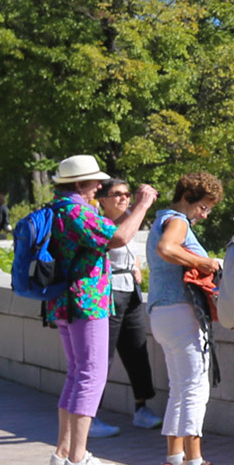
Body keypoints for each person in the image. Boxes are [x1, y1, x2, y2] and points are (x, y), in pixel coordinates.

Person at [43, 155, 155, 465]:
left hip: (63, 300)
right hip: (87, 300)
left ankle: (63, 452)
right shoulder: (76, 210)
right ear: (79, 185)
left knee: (76, 373)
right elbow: (118, 238)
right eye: (94, 183)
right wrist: (141, 206)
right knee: (92, 374)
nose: (98, 188)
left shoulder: (57, 208)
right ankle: (77, 458)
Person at [147, 172, 232, 465]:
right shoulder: (177, 221)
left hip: (160, 312)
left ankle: (174, 460)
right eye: (204, 207)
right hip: (181, 311)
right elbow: (167, 249)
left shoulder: (160, 220)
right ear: (188, 198)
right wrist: (207, 263)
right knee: (195, 389)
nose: (205, 214)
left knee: (180, 388)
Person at [96, 179, 161, 433]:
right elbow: (116, 241)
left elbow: (129, 246)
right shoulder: (100, 224)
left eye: (126, 194)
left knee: (137, 350)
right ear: (102, 199)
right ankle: (91, 416)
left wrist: (134, 265)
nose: (124, 198)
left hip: (129, 291)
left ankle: (141, 408)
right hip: (108, 291)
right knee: (103, 356)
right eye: (117, 194)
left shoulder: (129, 219)